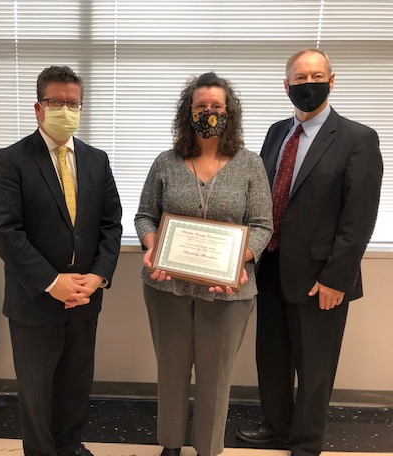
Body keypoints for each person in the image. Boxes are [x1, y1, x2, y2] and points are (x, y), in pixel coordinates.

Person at [236, 49, 383, 456]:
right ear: (286, 86)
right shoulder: (275, 132)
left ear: (332, 81)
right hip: (271, 267)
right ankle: (277, 426)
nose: (307, 84)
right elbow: (260, 197)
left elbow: (359, 219)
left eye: (316, 76)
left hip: (323, 277)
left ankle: (305, 442)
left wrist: (337, 277)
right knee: (272, 357)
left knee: (315, 367)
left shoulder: (358, 138)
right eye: (299, 79)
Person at [134, 72, 273, 456]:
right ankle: (171, 445)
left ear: (230, 113)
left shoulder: (250, 165)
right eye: (200, 106)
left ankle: (208, 448)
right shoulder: (166, 162)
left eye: (216, 107)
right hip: (167, 286)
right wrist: (152, 246)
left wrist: (236, 260)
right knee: (172, 370)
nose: (208, 113)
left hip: (230, 290)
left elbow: (263, 226)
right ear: (187, 111)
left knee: (216, 376)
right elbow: (145, 216)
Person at [0, 65, 122, 456]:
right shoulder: (12, 159)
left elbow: (110, 225)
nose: (66, 109)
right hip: (34, 302)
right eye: (56, 102)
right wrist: (52, 281)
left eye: (73, 103)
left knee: (76, 386)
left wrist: (97, 276)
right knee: (36, 393)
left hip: (85, 298)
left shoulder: (97, 160)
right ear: (38, 108)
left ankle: (70, 447)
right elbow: (5, 233)